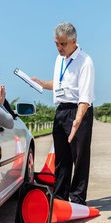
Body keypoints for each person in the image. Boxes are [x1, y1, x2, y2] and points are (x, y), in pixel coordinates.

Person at [31, 22, 95, 205]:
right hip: (61, 110)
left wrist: (77, 121)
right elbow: (60, 85)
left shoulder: (85, 62)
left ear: (74, 41)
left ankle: (77, 199)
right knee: (61, 157)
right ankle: (60, 197)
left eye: (63, 44)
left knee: (80, 157)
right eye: (56, 44)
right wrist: (41, 83)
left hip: (78, 111)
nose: (59, 48)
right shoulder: (60, 58)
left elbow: (84, 97)